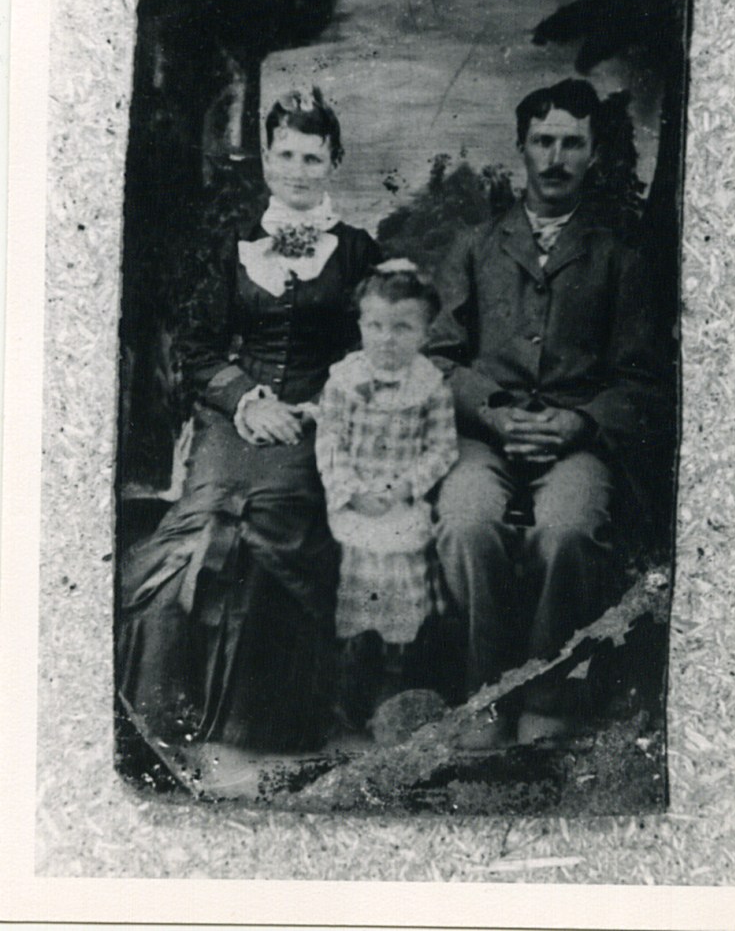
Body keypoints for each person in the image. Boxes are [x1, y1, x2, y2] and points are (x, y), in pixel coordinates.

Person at [118, 87, 381, 753]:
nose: (297, 170)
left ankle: (246, 733)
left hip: (317, 426)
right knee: (195, 540)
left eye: (312, 158)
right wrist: (246, 399)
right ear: (267, 159)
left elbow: (373, 352)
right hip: (232, 421)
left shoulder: (356, 253)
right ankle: (166, 726)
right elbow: (198, 349)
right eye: (285, 154)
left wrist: (323, 407)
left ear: (334, 162)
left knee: (261, 539)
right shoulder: (235, 247)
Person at [428, 78, 669, 747]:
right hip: (485, 435)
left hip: (577, 440)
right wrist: (496, 413)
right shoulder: (476, 246)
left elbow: (642, 380)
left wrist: (578, 423)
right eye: (543, 141)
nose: (556, 157)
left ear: (592, 154)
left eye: (572, 142)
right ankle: (483, 697)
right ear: (521, 148)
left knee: (566, 528)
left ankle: (548, 699)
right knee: (465, 521)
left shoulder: (619, 255)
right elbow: (439, 360)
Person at [315, 260, 458, 731]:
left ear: (425, 332)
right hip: (356, 508)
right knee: (352, 596)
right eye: (374, 325)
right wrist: (351, 491)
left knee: (404, 599)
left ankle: (396, 687)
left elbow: (442, 448)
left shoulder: (430, 386)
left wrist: (404, 487)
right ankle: (348, 683)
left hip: (401, 507)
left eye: (402, 327)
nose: (386, 338)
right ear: (360, 325)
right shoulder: (343, 380)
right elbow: (329, 442)